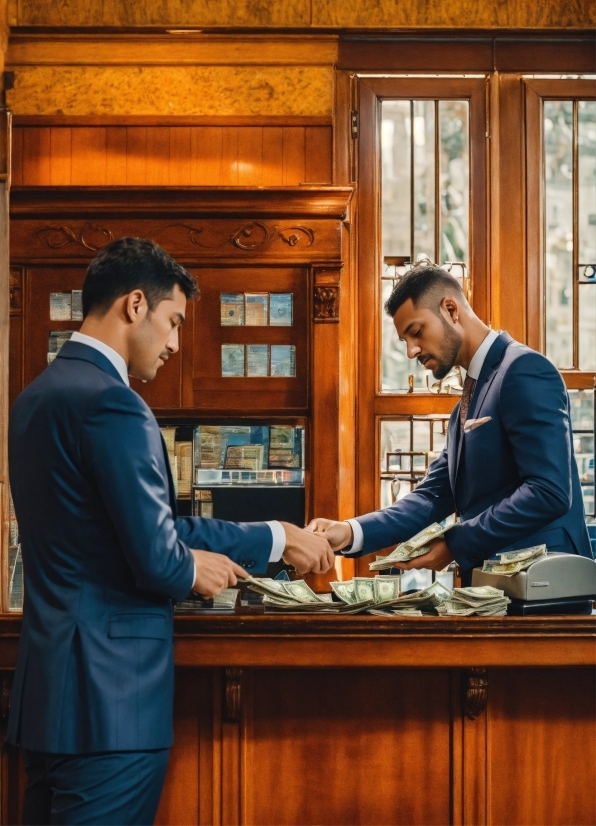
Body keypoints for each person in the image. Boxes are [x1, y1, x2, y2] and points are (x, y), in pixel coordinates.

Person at [7, 237, 334, 826]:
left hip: (47, 699)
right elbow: (159, 556)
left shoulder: (35, 398)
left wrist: (268, 536)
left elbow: (110, 531)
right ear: (136, 304)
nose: (178, 343)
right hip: (111, 705)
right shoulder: (114, 403)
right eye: (174, 321)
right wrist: (196, 564)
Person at [308, 261, 592, 580]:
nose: (411, 351)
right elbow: (432, 496)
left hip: (544, 589)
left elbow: (548, 492)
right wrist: (349, 531)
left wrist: (455, 544)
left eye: (416, 332)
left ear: (450, 309)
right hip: (492, 591)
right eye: (405, 340)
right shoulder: (463, 408)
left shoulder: (524, 370)